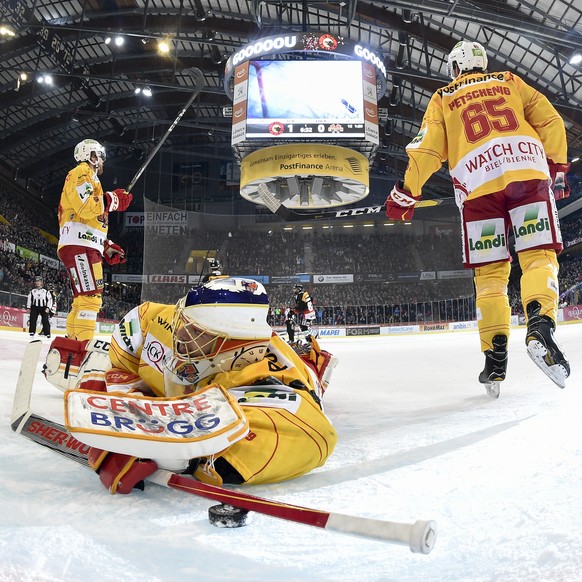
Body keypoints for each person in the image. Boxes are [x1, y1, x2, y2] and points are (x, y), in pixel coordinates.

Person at [384, 40, 571, 393]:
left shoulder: (444, 97)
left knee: (489, 278)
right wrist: (558, 164)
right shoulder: (510, 81)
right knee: (537, 256)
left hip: (477, 186)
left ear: (455, 68)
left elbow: (427, 149)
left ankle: (494, 360)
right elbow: (549, 119)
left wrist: (405, 193)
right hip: (527, 173)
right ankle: (541, 325)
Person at [44, 277, 338, 494]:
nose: (182, 338)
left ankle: (315, 360)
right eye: (185, 323)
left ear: (240, 349)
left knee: (310, 368)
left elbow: (317, 438)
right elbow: (124, 352)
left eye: (200, 334)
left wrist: (175, 453)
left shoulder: (270, 377)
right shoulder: (155, 321)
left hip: (296, 378)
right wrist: (121, 397)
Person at [57, 139, 133, 341]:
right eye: (100, 156)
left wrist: (106, 246)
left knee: (82, 299)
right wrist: (113, 200)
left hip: (82, 243)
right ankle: (82, 349)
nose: (102, 161)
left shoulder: (90, 177)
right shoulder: (81, 172)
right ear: (91, 156)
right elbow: (86, 206)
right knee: (90, 299)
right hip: (80, 245)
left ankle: (72, 345)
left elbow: (89, 219)